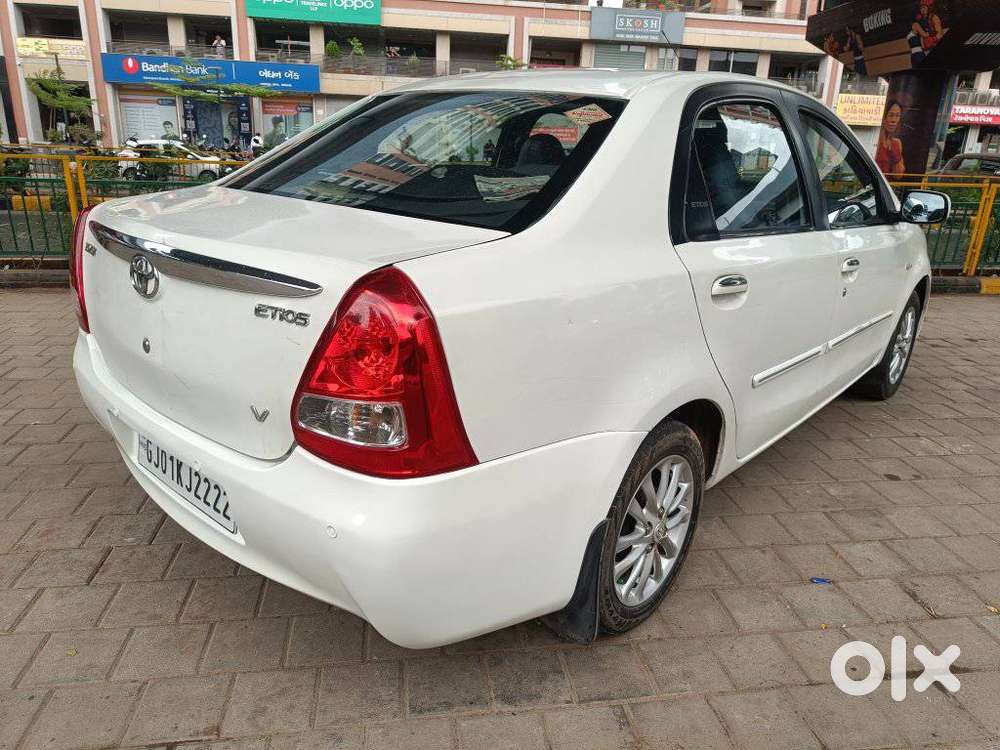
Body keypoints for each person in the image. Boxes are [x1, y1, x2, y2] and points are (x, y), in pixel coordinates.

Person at [875, 100, 906, 176]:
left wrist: (896, 156)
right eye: (891, 115)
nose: (894, 120)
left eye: (897, 116)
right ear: (883, 117)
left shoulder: (896, 143)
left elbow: (898, 176)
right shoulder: (875, 140)